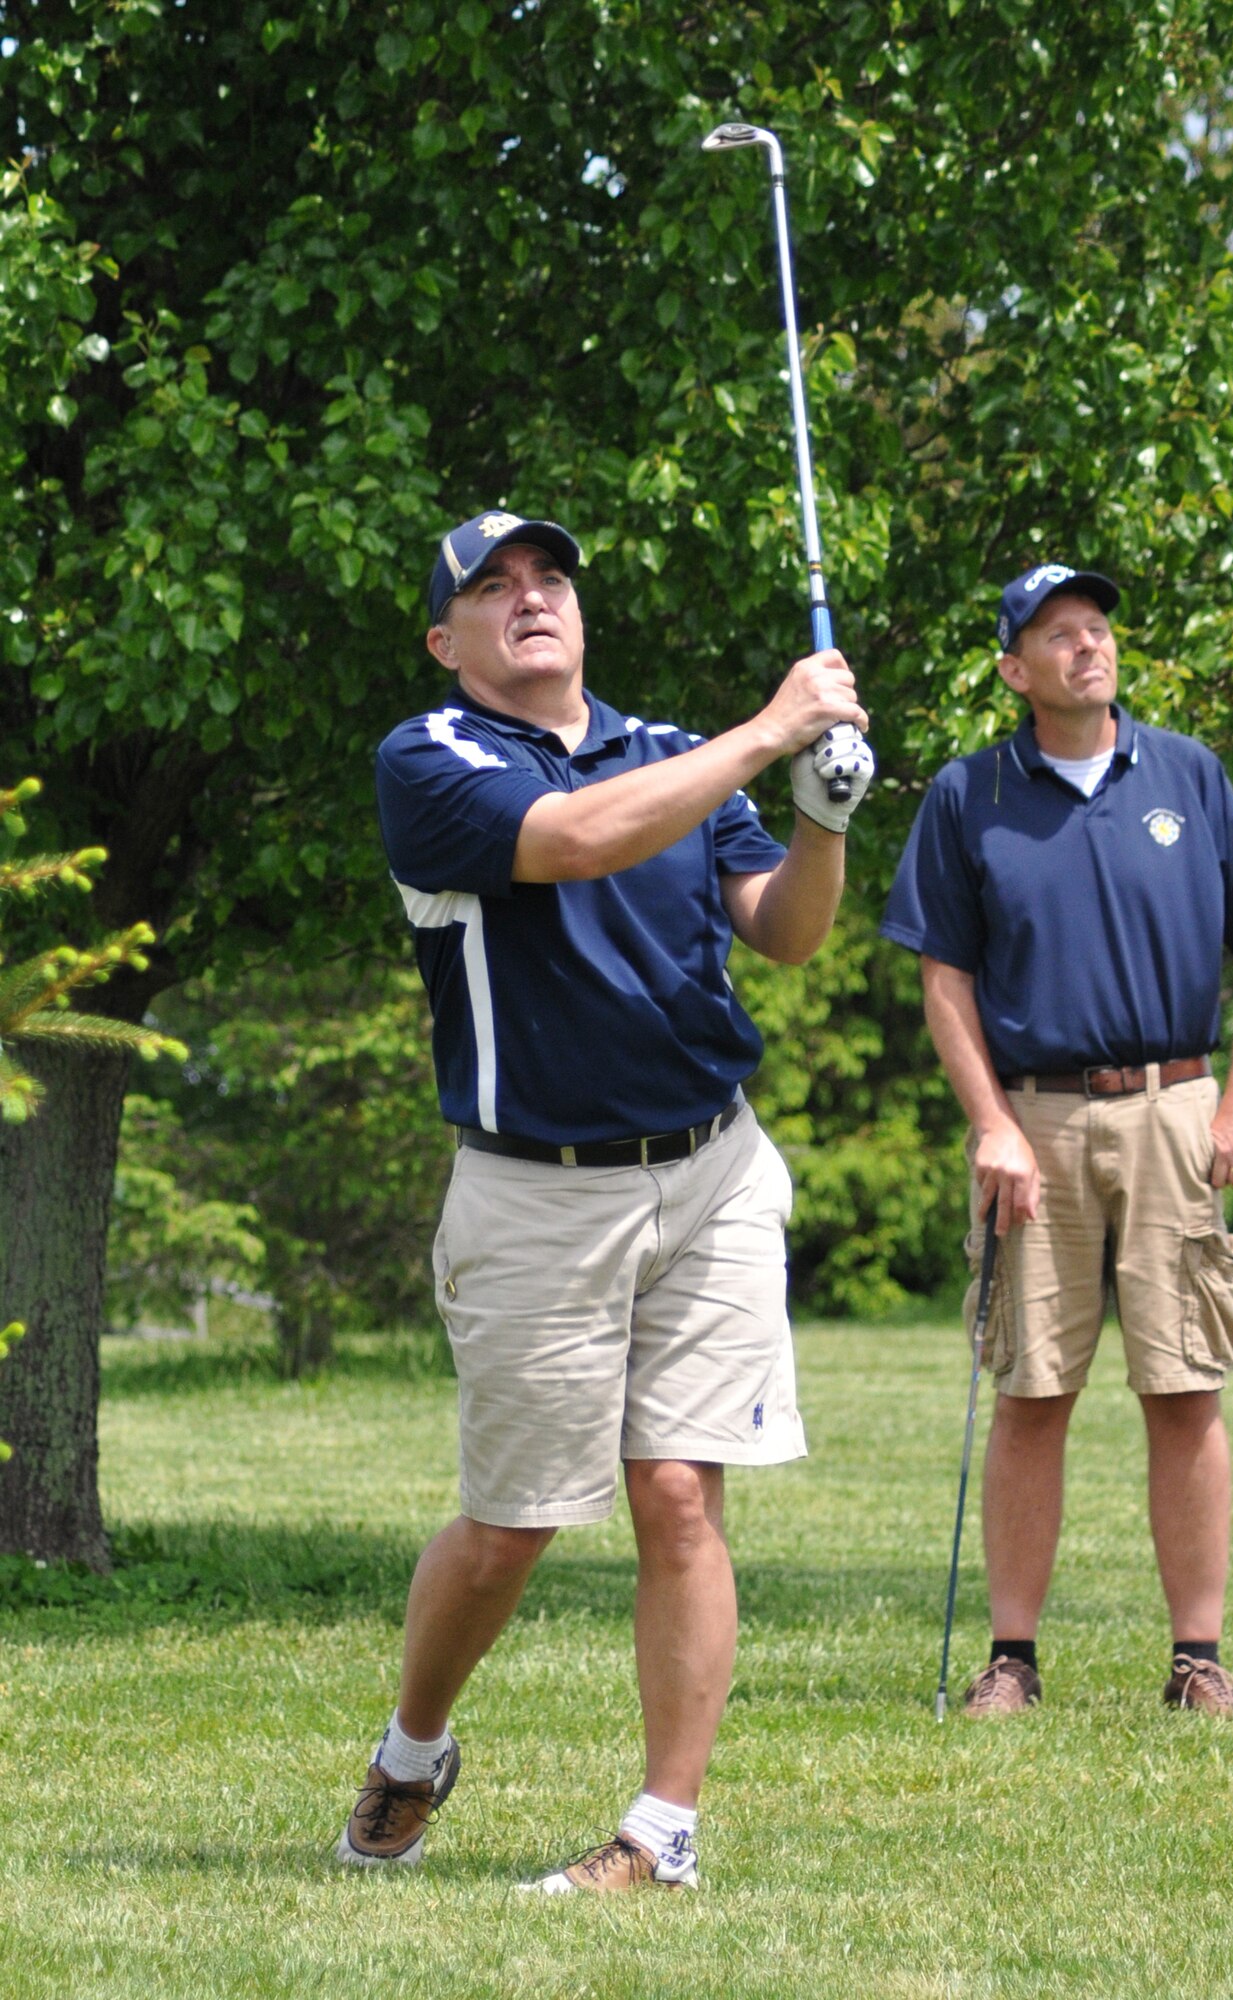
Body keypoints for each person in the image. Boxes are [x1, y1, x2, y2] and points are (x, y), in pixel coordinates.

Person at [338, 508, 872, 1891]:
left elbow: (789, 936)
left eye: (550, 578)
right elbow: (569, 841)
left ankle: (661, 1832)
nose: (531, 598)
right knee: (513, 1521)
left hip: (713, 1167)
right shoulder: (431, 758)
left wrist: (823, 816)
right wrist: (766, 733)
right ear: (443, 637)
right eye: (492, 587)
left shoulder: (672, 753)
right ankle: (413, 1746)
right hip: (535, 1193)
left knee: (682, 1495)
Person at [881, 559, 1233, 1719]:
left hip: (1175, 1104)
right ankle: (1011, 1658)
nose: (1086, 645)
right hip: (1036, 1117)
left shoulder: (1186, 774)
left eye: (1096, 627)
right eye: (1058, 633)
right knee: (1031, 1388)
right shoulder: (971, 795)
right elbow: (943, 972)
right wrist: (989, 1122)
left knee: (1185, 1385)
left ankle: (1196, 1658)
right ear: (1017, 670)